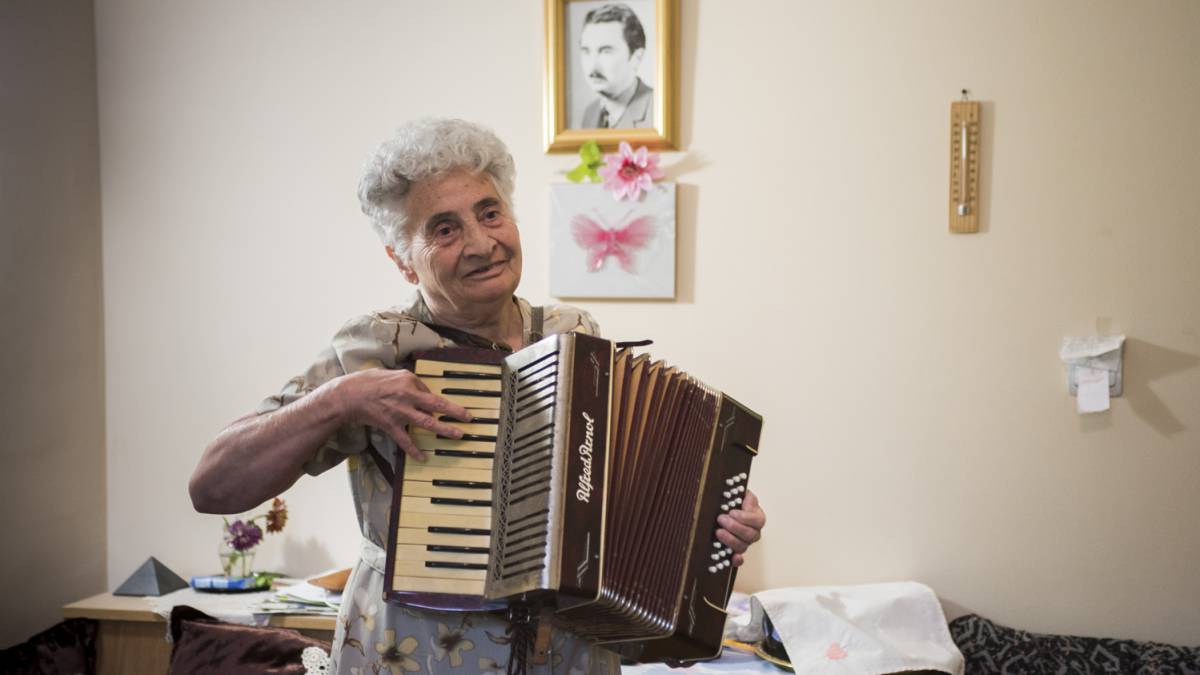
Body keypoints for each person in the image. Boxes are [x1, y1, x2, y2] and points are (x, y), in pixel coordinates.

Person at [189, 118, 765, 674]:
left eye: (490, 213)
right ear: (402, 261)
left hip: (569, 653)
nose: (480, 242)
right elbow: (213, 485)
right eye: (444, 228)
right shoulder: (374, 348)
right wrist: (341, 399)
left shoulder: (573, 334)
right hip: (417, 651)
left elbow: (625, 497)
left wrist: (714, 518)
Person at [578, 3, 654, 129]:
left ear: (636, 57)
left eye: (606, 51)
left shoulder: (658, 110)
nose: (593, 65)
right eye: (586, 51)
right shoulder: (591, 113)